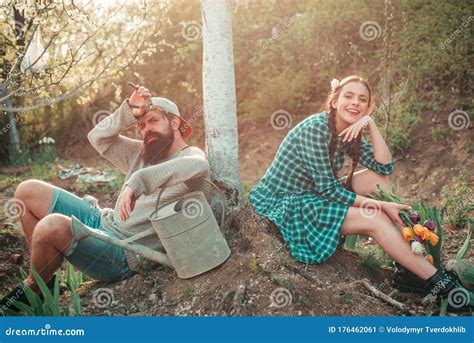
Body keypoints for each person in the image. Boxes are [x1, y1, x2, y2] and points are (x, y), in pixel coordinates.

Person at [248, 75, 472, 312]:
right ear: (334, 101)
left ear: (367, 107)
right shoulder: (315, 129)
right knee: (374, 217)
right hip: (288, 202)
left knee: (378, 181)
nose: (355, 103)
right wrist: (382, 207)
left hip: (314, 194)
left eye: (362, 100)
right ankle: (445, 286)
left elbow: (385, 167)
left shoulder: (349, 132)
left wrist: (370, 124)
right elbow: (328, 189)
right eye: (348, 96)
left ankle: (408, 271)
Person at [1, 85, 210, 313]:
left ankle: (33, 287)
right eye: (141, 125)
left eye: (153, 121)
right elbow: (98, 138)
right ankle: (45, 279)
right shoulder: (142, 153)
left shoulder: (189, 156)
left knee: (50, 227)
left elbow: (199, 165)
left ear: (175, 123)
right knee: (27, 190)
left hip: (121, 251)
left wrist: (137, 181)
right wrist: (130, 110)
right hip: (102, 222)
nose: (146, 130)